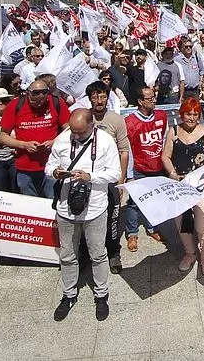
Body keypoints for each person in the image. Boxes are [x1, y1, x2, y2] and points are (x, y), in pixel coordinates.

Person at [45, 109, 120, 322]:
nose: (75, 136)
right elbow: (48, 166)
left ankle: (101, 294)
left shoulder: (105, 141)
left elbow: (115, 173)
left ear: (91, 126)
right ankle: (68, 294)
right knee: (67, 255)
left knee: (98, 254)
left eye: (80, 132)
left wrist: (91, 177)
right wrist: (55, 173)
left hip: (95, 208)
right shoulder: (62, 139)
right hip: (66, 208)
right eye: (73, 132)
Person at [162, 97, 204, 277]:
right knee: (182, 223)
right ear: (182, 114)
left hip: (200, 186)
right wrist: (172, 173)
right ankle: (190, 252)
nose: (192, 118)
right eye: (188, 114)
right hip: (179, 186)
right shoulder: (174, 131)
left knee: (202, 224)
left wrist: (202, 178)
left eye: (195, 114)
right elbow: (166, 156)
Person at [84, 81, 131, 274]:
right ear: (90, 99)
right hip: (88, 177)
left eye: (102, 96)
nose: (99, 100)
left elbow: (124, 151)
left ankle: (113, 253)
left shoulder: (116, 120)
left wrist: (121, 180)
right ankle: (88, 253)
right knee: (87, 217)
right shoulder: (84, 117)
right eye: (95, 97)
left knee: (113, 218)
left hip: (111, 178)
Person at [0, 79, 70, 198]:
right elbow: (3, 136)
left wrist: (55, 142)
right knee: (29, 204)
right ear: (28, 93)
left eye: (42, 101)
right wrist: (24, 145)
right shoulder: (15, 105)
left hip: (52, 165)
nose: (38, 104)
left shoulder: (57, 102)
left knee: (51, 201)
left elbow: (69, 130)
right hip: (25, 167)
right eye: (34, 101)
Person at [124, 85, 169, 249]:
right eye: (149, 98)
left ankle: (152, 227)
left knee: (154, 199)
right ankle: (132, 233)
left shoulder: (162, 116)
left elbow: (165, 140)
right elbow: (127, 149)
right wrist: (129, 173)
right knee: (134, 202)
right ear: (140, 101)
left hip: (157, 166)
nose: (154, 100)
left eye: (154, 97)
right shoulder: (130, 122)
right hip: (139, 168)